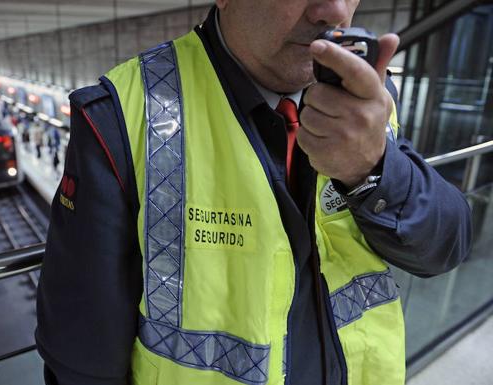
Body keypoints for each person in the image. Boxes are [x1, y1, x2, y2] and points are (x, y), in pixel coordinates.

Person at [36, 1, 472, 385]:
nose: (335, 10)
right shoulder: (123, 114)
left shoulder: (367, 101)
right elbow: (82, 358)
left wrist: (372, 167)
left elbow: (444, 247)